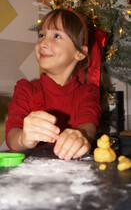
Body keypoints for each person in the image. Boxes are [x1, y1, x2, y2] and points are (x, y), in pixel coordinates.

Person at [6, 9, 102, 161]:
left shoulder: (88, 92)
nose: (43, 43)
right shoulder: (25, 89)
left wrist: (80, 136)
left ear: (80, 53)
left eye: (56, 36)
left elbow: (88, 125)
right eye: (41, 35)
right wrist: (23, 138)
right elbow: (12, 137)